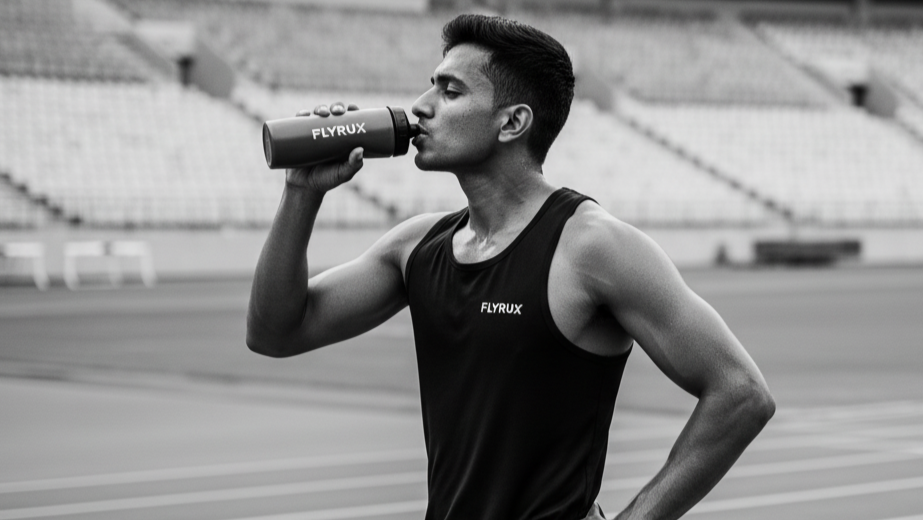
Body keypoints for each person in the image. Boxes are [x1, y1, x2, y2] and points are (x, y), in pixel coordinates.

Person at [247, 13, 775, 520]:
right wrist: (301, 194)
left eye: (450, 92)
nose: (420, 107)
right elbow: (275, 331)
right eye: (431, 85)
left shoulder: (593, 247)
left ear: (513, 122)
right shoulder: (416, 245)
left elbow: (741, 393)